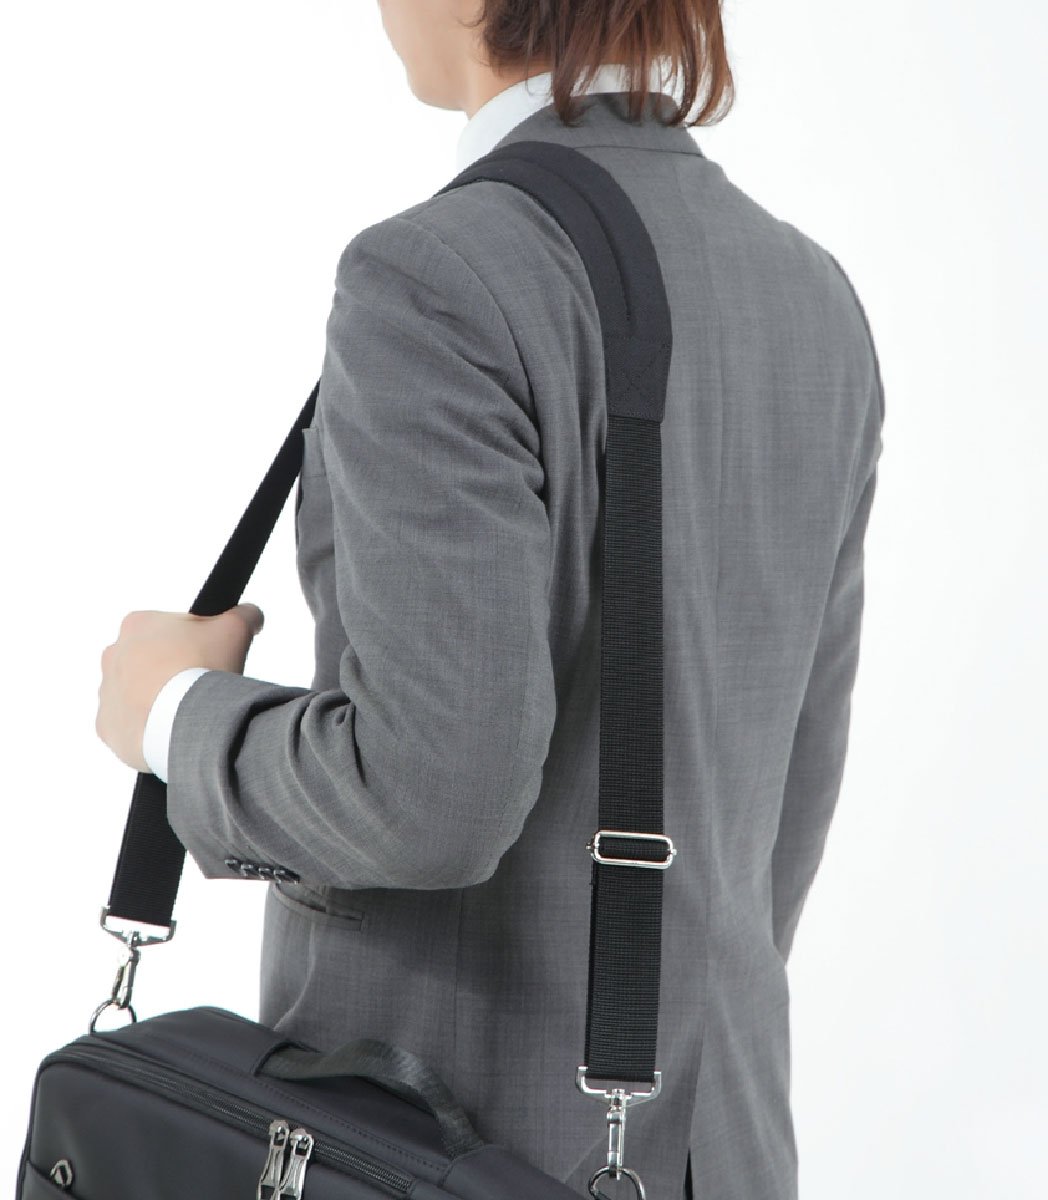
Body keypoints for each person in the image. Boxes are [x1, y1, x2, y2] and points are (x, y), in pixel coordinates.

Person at [95, 2, 885, 1197]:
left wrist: (171, 715)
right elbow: (786, 801)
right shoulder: (813, 296)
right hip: (716, 1150)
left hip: (443, 1141)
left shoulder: (436, 274)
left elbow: (431, 798)